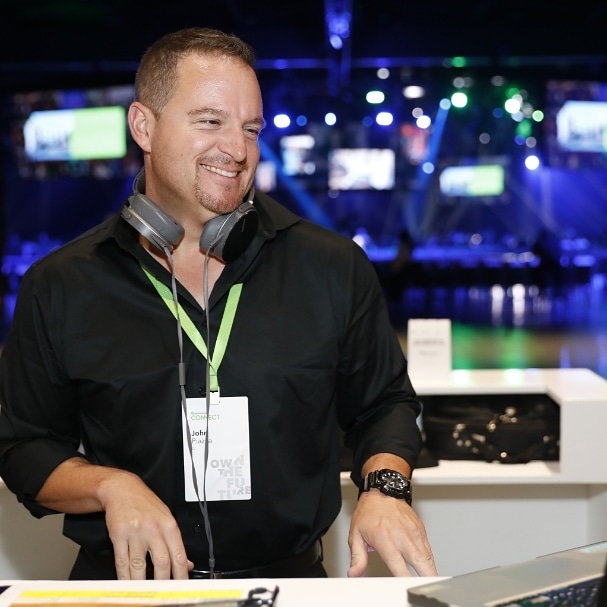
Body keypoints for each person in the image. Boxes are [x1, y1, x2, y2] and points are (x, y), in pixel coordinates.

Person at [0, 27, 437, 581]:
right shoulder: (62, 283)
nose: (237, 149)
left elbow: (385, 405)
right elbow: (23, 446)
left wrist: (385, 488)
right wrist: (109, 486)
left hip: (289, 585)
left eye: (251, 128)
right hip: (130, 589)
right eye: (210, 121)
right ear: (144, 126)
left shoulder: (330, 265)